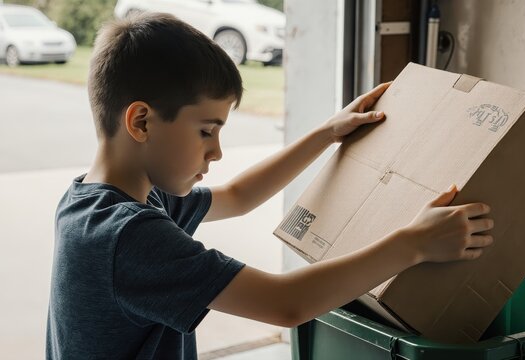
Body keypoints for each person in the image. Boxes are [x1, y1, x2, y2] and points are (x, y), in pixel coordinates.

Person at [46, 12, 494, 360]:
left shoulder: (100, 201)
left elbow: (239, 196)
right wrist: (414, 244)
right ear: (141, 121)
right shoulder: (128, 236)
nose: (216, 151)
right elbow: (286, 304)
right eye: (207, 130)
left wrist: (326, 133)